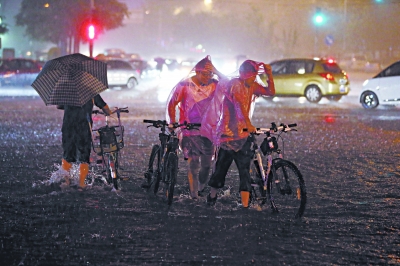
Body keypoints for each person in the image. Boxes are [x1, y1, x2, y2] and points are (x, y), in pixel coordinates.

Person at [201, 60, 275, 208]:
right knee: (221, 170)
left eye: (255, 76)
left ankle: (245, 205)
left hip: (243, 136)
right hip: (228, 136)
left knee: (244, 172)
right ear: (244, 75)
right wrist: (248, 124)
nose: (254, 79)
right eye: (252, 76)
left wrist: (269, 75)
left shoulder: (252, 85)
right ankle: (212, 196)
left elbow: (270, 92)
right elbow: (239, 105)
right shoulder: (235, 84)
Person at [166, 56, 225, 199]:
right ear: (196, 72)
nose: (207, 77)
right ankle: (193, 195)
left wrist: (217, 71)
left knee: (206, 164)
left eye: (210, 74)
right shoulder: (185, 85)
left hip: (209, 130)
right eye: (205, 74)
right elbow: (172, 104)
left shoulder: (215, 85)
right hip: (189, 129)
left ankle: (201, 186)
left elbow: (229, 85)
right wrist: (173, 122)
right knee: (193, 163)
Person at [57, 95, 112, 189]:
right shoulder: (90, 91)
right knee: (84, 157)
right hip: (84, 128)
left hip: (68, 126)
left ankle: (66, 182)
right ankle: (81, 183)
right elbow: (105, 107)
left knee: (67, 155)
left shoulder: (66, 91)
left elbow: (59, 106)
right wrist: (109, 112)